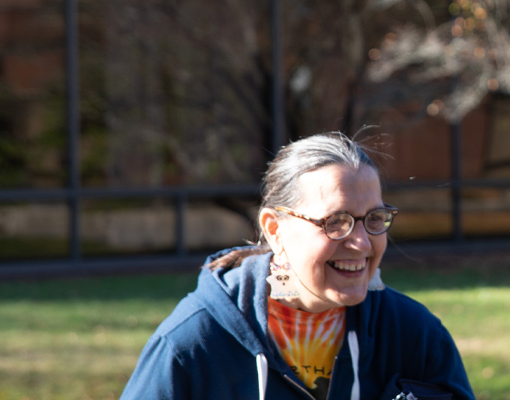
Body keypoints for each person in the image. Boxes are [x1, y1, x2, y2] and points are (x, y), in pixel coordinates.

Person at [121, 133, 474, 400]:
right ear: (275, 230)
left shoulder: (416, 337)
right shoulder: (191, 346)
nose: (362, 242)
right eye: (336, 221)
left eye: (374, 218)